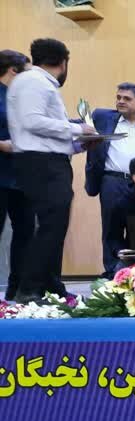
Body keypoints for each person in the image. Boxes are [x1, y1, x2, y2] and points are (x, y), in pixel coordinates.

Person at [6, 38, 97, 303]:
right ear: (63, 63)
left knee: (54, 226)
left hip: (46, 160)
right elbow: (33, 122)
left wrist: (79, 145)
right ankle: (30, 288)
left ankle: (50, 285)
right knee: (51, 226)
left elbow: (44, 133)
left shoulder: (34, 82)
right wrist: (79, 129)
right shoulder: (34, 82)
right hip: (42, 163)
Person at [84, 82, 135, 278]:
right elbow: (78, 123)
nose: (120, 101)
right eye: (118, 97)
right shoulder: (102, 117)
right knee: (111, 228)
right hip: (112, 181)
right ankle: (114, 273)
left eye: (127, 99)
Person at [0, 49, 34, 301]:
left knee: (25, 232)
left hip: (21, 176)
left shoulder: (19, 97)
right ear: (13, 70)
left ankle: (17, 288)